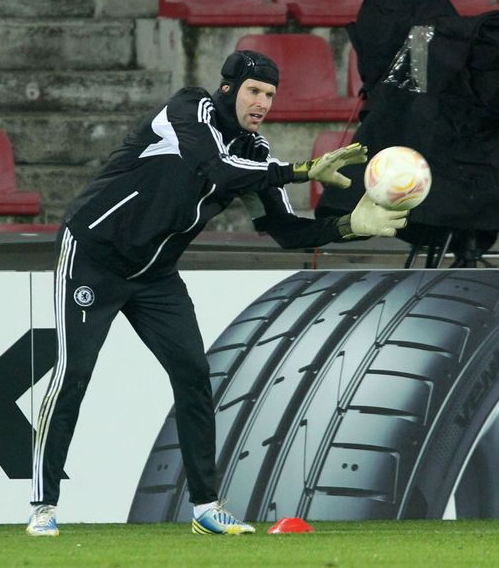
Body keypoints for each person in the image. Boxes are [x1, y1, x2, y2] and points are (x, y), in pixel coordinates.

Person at [26, 49, 407, 537]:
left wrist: (351, 225)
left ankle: (206, 506)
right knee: (73, 373)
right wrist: (303, 170)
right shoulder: (189, 109)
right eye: (254, 91)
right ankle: (44, 505)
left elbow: (285, 230)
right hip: (93, 255)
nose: (262, 102)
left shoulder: (256, 154)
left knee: (193, 376)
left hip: (156, 275)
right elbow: (215, 169)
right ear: (228, 88)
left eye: (270, 95)